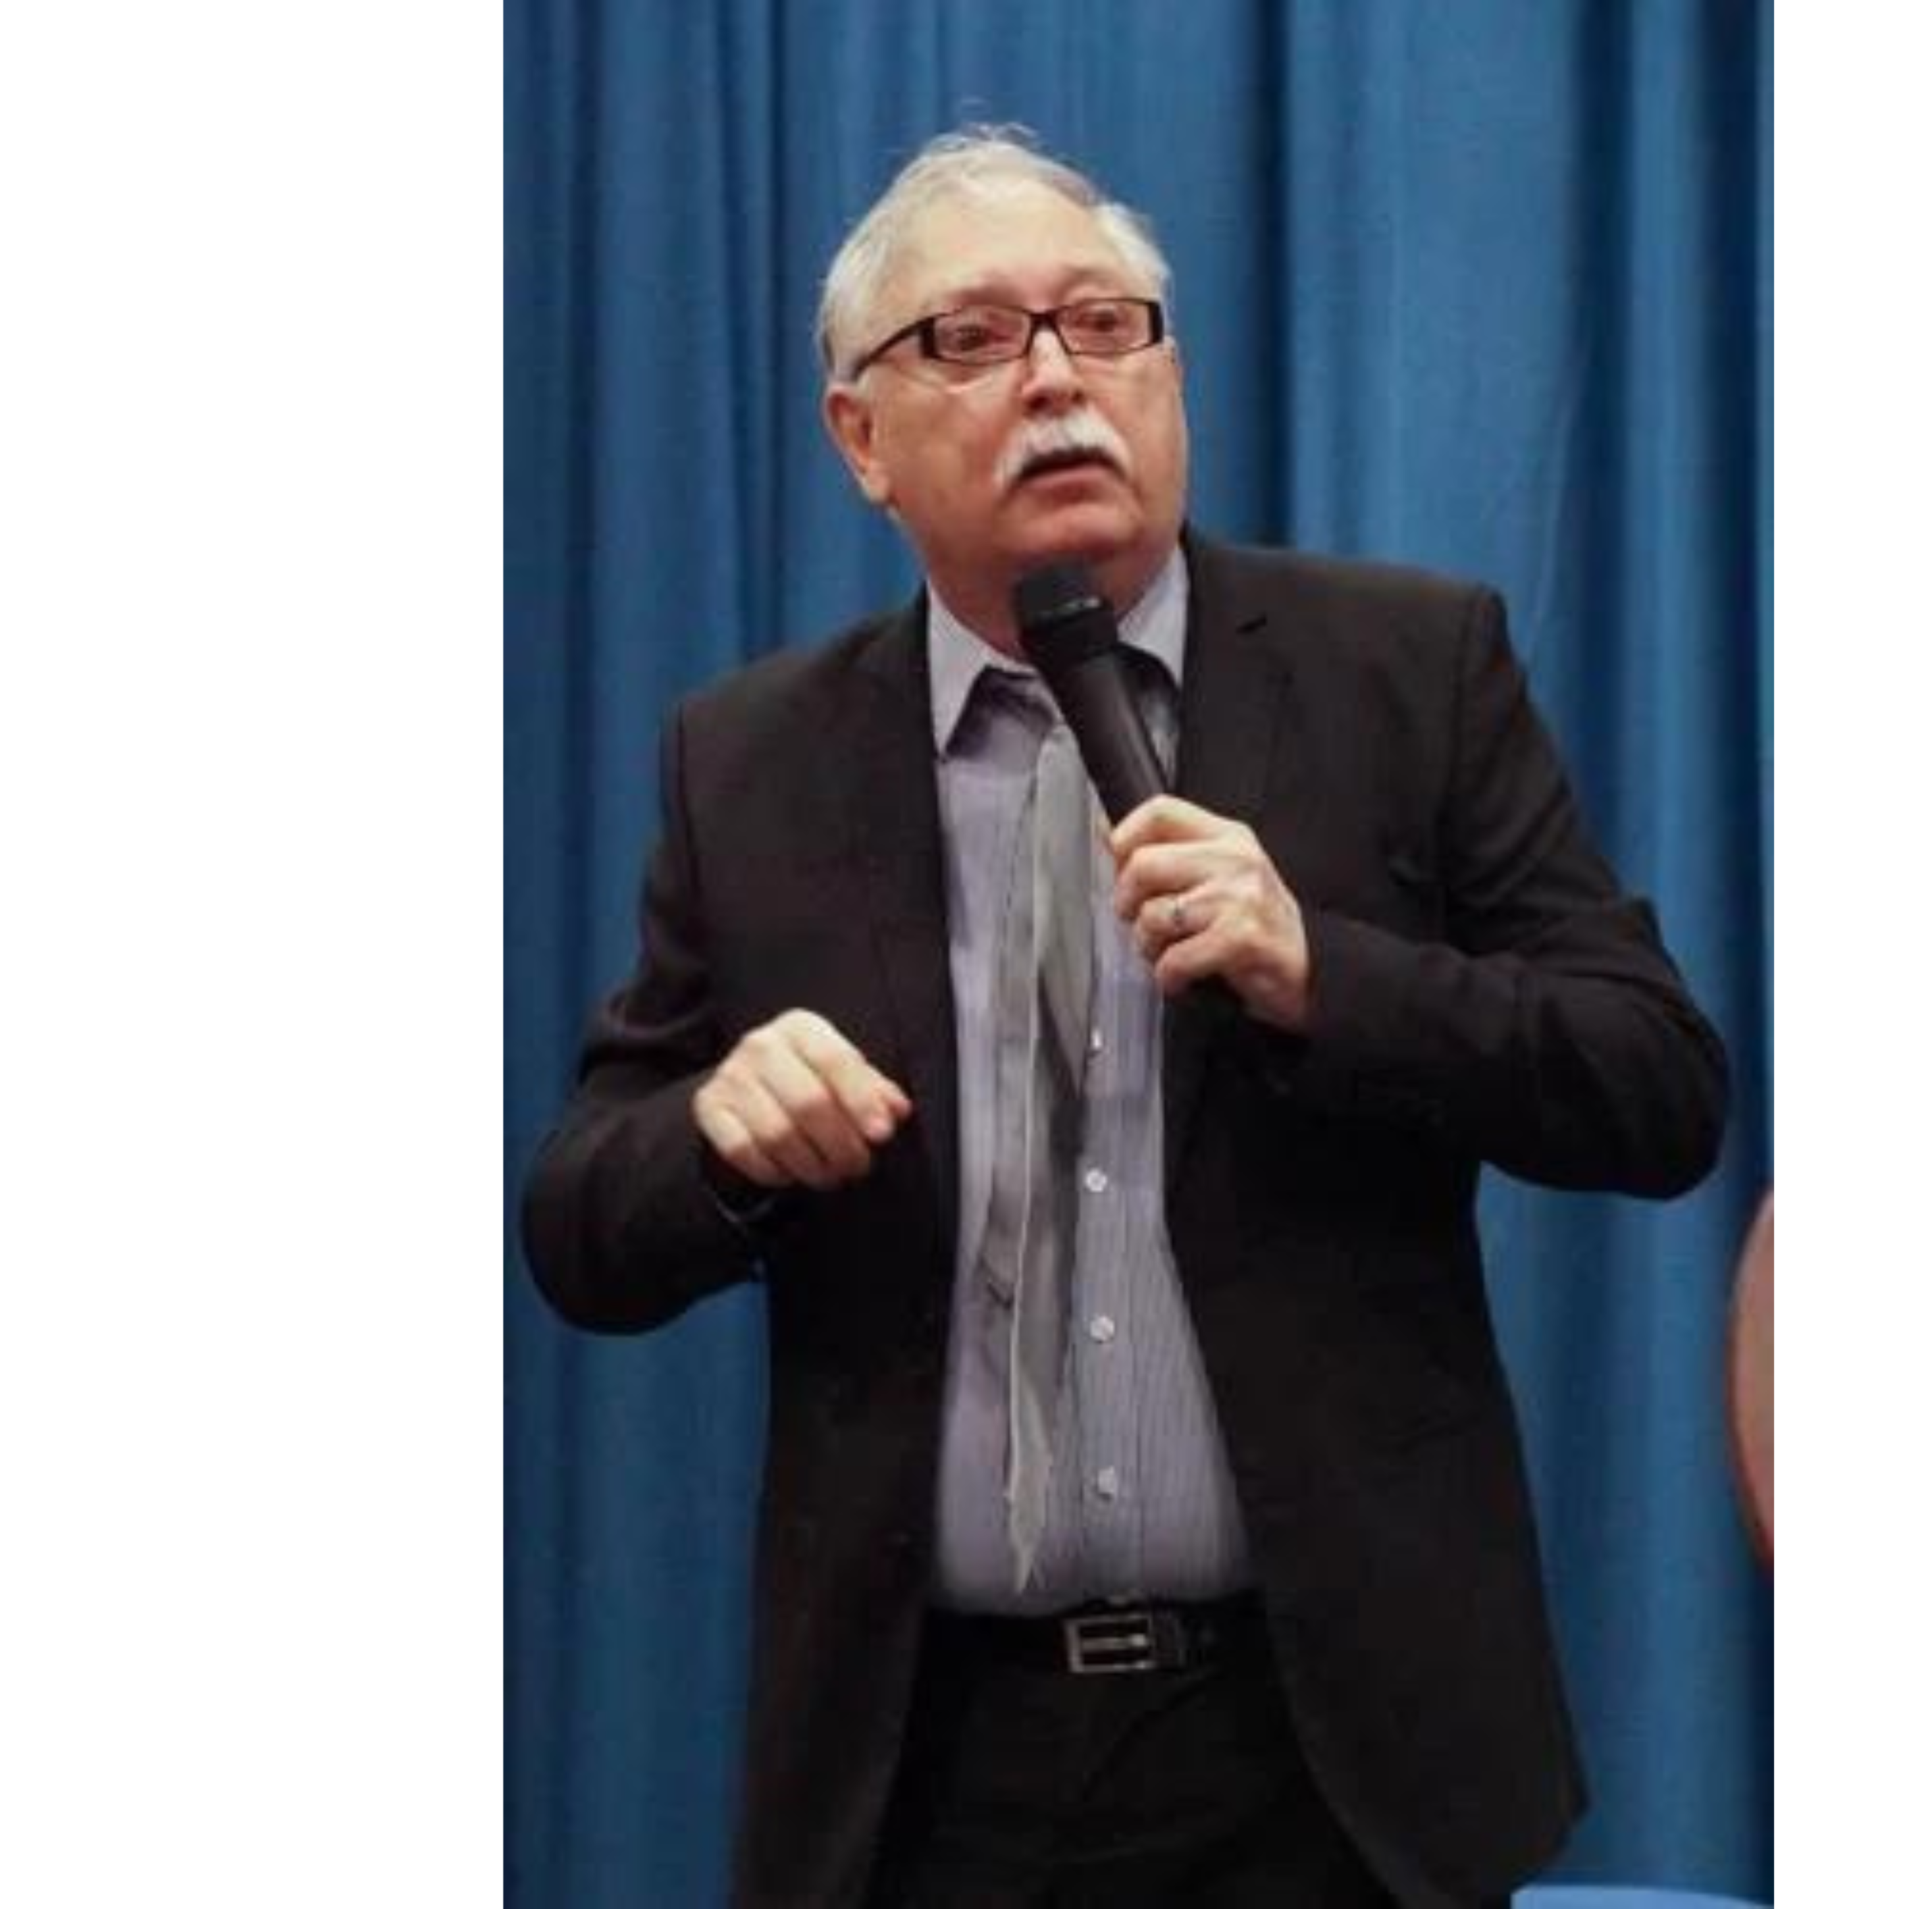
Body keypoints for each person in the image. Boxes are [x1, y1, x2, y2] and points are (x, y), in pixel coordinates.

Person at [522, 125, 1728, 1909]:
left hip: (1332, 1756)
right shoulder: (753, 759)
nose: (1060, 382)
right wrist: (711, 1136)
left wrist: (1330, 971)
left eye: (1108, 326)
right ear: (859, 435)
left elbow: (1656, 1085)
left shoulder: (1406, 672)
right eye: (976, 340)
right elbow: (581, 1228)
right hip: (927, 1769)